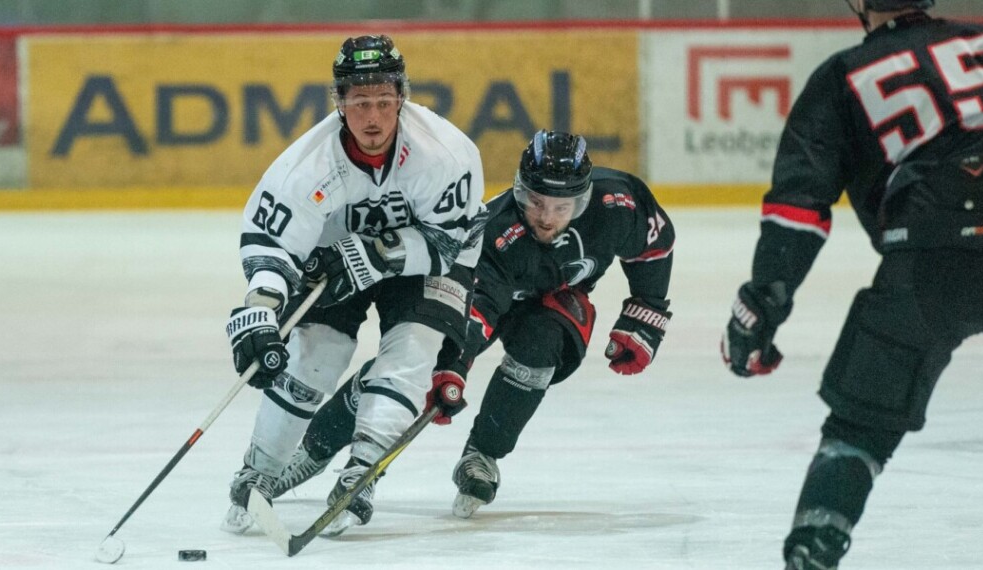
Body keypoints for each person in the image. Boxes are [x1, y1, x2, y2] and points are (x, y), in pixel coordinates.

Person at [721, 1, 983, 568]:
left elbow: (797, 214)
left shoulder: (839, 76)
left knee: (858, 430)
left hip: (925, 263)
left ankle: (812, 551)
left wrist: (759, 310)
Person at [268, 129, 677, 521]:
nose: (547, 217)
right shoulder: (497, 234)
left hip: (551, 297)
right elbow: (476, 307)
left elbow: (654, 249)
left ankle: (482, 454)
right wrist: (452, 363)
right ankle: (315, 448)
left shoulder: (619, 205)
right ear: (520, 190)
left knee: (543, 344)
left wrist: (646, 312)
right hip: (470, 292)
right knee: (413, 367)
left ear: (584, 199)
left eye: (560, 207)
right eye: (536, 202)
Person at [221, 34, 486, 535]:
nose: (373, 117)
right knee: (313, 355)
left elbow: (454, 241)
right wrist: (261, 305)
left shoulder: (447, 154)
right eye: (360, 102)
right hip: (334, 262)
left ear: (401, 99)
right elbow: (272, 243)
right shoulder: (307, 166)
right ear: (338, 103)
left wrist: (380, 253)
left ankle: (361, 470)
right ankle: (260, 470)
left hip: (424, 265)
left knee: (412, 349)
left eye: (385, 101)